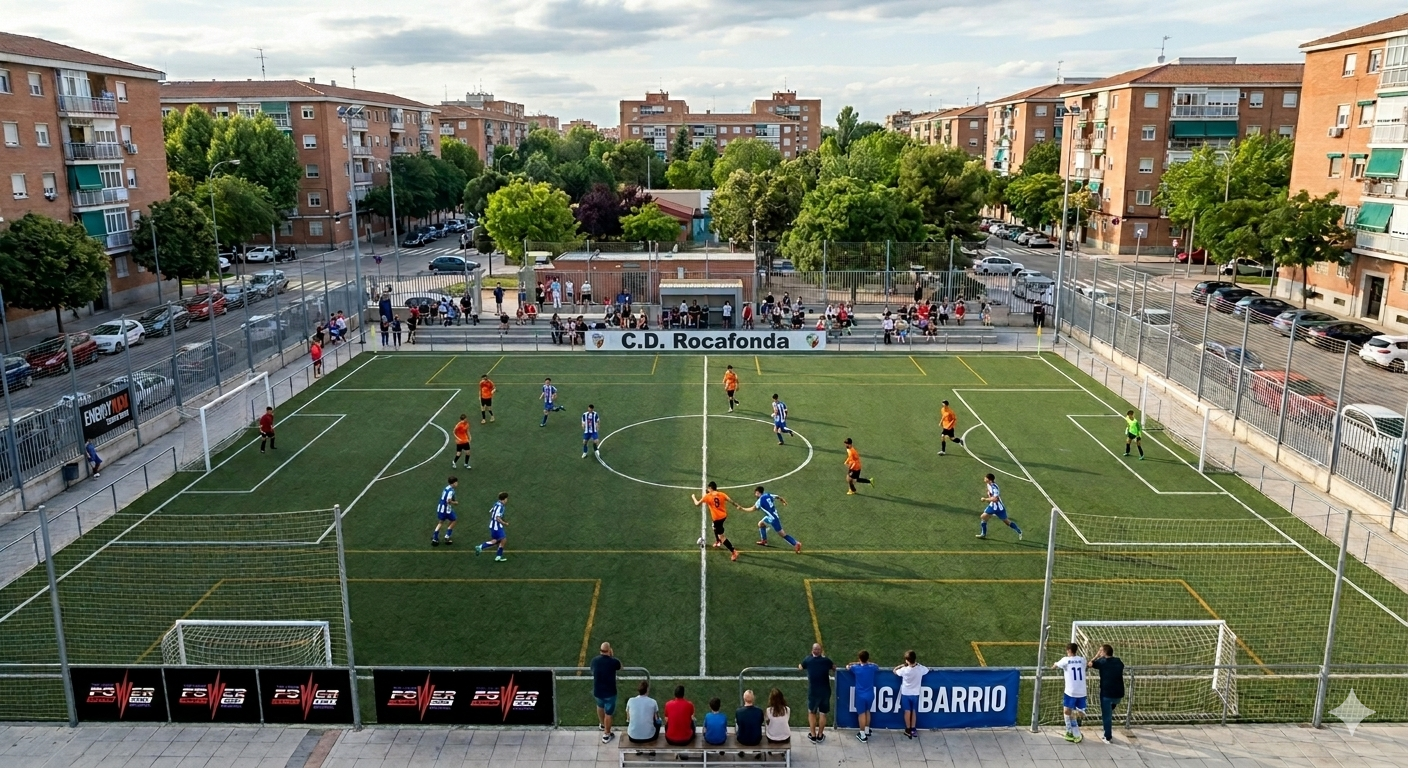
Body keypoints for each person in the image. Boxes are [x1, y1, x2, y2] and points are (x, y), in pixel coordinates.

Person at [692, 481, 740, 561]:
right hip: (723, 516)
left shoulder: (707, 496)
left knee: (721, 536)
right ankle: (718, 541)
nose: (707, 489)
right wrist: (737, 506)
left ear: (710, 488)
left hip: (717, 519)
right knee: (714, 526)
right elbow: (731, 501)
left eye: (708, 488)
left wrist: (693, 497)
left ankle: (734, 551)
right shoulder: (722, 494)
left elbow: (697, 504)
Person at [746, 486, 800, 552]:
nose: (755, 495)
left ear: (758, 492)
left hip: (773, 519)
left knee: (783, 534)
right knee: (761, 524)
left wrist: (742, 508)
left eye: (755, 493)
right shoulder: (768, 495)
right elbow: (777, 496)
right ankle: (764, 541)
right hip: (771, 516)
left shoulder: (759, 501)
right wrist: (783, 501)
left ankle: (796, 543)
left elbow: (752, 509)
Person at [1089, 644, 1125, 744]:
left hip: (1107, 693)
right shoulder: (1118, 661)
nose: (1099, 652)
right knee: (1111, 708)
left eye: (1100, 651)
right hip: (1119, 693)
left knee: (1107, 716)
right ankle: (1107, 730)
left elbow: (1090, 664)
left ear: (1104, 653)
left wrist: (1096, 656)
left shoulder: (1102, 662)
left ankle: (1107, 737)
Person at [799, 643, 834, 743]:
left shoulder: (808, 660)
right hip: (825, 691)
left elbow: (801, 667)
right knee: (823, 713)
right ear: (821, 650)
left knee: (811, 712)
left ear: (812, 650)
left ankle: (813, 735)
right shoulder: (826, 661)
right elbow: (833, 667)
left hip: (813, 691)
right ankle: (820, 735)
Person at [1054, 643, 1088, 743]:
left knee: (1066, 711)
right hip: (1082, 691)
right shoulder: (1082, 660)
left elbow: (1055, 665)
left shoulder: (1065, 660)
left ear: (1068, 650)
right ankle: (1075, 732)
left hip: (1071, 691)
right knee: (1077, 712)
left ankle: (1069, 732)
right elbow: (1086, 664)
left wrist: (1054, 665)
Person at [591, 642, 623, 743]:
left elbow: (592, 670)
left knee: (600, 706)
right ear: (609, 650)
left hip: (598, 691)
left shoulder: (594, 661)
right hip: (610, 692)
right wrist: (612, 656)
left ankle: (602, 724)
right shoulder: (613, 661)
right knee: (608, 713)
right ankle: (607, 733)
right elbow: (621, 667)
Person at [977, 472, 1023, 540]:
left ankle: (1019, 531)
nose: (984, 478)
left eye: (986, 478)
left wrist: (985, 499)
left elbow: (995, 499)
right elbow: (989, 491)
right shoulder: (988, 484)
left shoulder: (995, 488)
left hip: (999, 508)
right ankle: (983, 534)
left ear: (990, 480)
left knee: (1007, 522)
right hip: (992, 506)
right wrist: (988, 493)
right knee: (983, 517)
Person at [894, 650, 929, 739]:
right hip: (915, 693)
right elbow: (927, 670)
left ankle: (908, 729)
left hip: (906, 693)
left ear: (907, 660)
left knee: (907, 711)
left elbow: (895, 671)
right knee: (913, 711)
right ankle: (913, 729)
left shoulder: (904, 670)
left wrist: (901, 665)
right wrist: (918, 664)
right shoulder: (920, 669)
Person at [847, 651, 879, 742]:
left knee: (861, 714)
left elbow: (848, 666)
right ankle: (867, 729)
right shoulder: (872, 668)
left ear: (859, 658)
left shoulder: (856, 668)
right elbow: (876, 665)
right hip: (870, 694)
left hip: (860, 695)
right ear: (868, 658)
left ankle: (862, 735)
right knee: (867, 711)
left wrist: (856, 663)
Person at [474, 492, 509, 562]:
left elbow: (491, 511)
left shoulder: (496, 503)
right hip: (497, 526)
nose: (507, 500)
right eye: (506, 498)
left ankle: (481, 547)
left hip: (492, 525)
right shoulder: (501, 506)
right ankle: (498, 556)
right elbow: (497, 518)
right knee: (503, 540)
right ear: (504, 499)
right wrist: (504, 523)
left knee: (496, 541)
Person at [430, 476, 459, 546]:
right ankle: (447, 536)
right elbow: (448, 500)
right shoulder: (451, 491)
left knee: (440, 522)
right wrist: (455, 503)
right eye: (456, 482)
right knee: (454, 520)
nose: (457, 483)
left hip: (440, 508)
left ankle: (435, 538)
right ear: (454, 483)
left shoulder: (446, 488)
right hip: (446, 510)